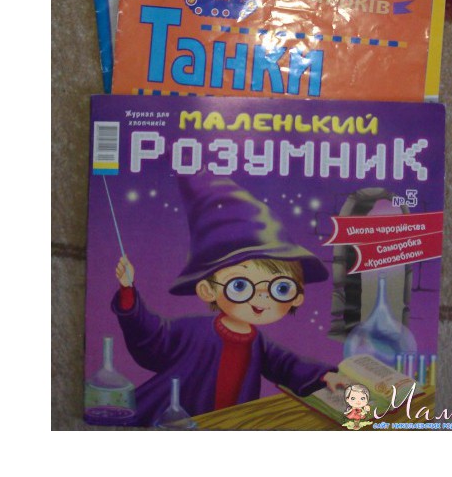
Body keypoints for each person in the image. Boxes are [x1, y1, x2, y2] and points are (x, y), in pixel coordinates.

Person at [112, 172, 343, 425]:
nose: (262, 298)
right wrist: (128, 293)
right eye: (240, 286)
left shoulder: (258, 343)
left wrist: (324, 376)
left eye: (280, 288)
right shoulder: (193, 330)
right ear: (207, 290)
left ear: (297, 295)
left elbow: (286, 365)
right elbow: (153, 338)